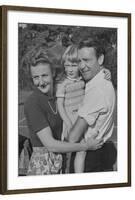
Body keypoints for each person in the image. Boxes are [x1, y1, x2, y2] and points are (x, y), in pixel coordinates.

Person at [24, 47, 103, 175]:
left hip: (61, 161)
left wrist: (104, 72)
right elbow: (50, 145)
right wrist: (86, 146)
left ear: (53, 73)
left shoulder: (59, 94)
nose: (41, 82)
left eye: (44, 75)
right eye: (35, 77)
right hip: (43, 167)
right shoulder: (33, 102)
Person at [56, 45, 111, 173]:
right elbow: (60, 106)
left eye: (74, 65)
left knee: (82, 151)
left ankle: (79, 178)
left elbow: (97, 74)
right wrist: (69, 123)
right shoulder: (62, 84)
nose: (70, 69)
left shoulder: (84, 80)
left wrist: (105, 71)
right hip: (70, 123)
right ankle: (65, 174)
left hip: (82, 122)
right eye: (67, 65)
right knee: (69, 153)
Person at [68, 37, 116, 172]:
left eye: (87, 60)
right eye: (79, 61)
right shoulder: (101, 81)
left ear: (100, 59)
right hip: (98, 153)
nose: (82, 66)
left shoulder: (97, 89)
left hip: (89, 156)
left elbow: (73, 138)